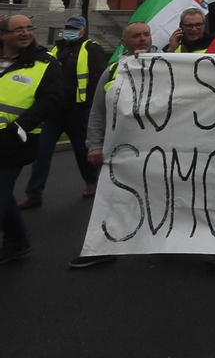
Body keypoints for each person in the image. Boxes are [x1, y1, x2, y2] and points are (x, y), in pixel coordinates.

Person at [70, 21, 152, 269]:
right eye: (136, 35)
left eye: (146, 34)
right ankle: (101, 247)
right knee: (113, 199)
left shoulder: (168, 63)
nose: (142, 39)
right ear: (124, 42)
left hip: (159, 150)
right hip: (123, 150)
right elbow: (98, 111)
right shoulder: (114, 70)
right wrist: (94, 144)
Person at [0, 14, 66, 264]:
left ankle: (16, 242)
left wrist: (18, 128)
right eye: (18, 30)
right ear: (3, 34)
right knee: (4, 195)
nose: (25, 33)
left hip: (13, 141)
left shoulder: (45, 63)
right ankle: (17, 241)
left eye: (29, 28)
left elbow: (51, 100)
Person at [22, 16, 106, 208]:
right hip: (54, 111)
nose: (70, 30)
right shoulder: (57, 49)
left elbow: (98, 79)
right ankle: (33, 193)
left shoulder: (90, 48)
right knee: (41, 151)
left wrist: (88, 106)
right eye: (68, 27)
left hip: (77, 110)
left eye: (74, 28)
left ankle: (92, 183)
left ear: (83, 30)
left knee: (82, 150)